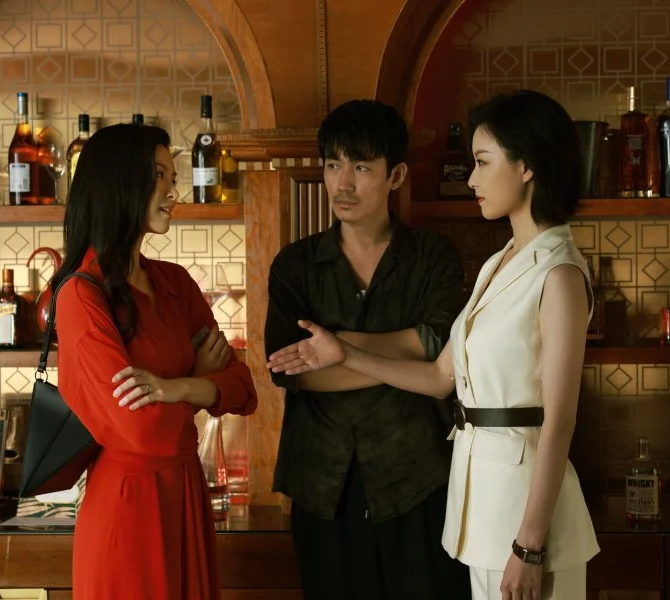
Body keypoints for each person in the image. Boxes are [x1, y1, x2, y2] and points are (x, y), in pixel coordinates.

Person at [267, 89, 601, 600]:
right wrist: (347, 352)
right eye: (333, 165)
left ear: (526, 166)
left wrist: (530, 546)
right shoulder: (499, 262)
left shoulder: (558, 274)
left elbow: (559, 421)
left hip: (521, 510)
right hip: (479, 503)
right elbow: (440, 376)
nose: (471, 180)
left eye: (483, 162)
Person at [264, 99, 471, 600]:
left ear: (395, 175)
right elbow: (290, 368)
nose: (343, 183)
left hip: (417, 476)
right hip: (323, 483)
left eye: (361, 167)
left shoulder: (433, 257)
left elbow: (441, 345)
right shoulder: (295, 265)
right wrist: (409, 354)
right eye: (333, 165)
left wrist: (337, 348)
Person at [52, 123, 258, 600]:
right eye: (159, 176)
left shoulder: (176, 283)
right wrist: (202, 381)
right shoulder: (81, 296)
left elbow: (245, 388)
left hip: (185, 491)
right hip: (128, 505)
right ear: (120, 183)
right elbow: (139, 429)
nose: (173, 191)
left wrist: (177, 387)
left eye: (173, 177)